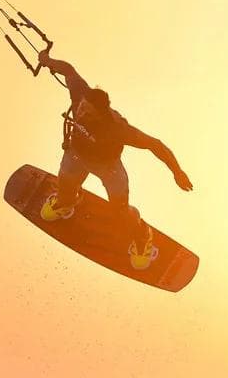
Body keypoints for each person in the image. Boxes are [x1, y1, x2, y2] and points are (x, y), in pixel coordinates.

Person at [36, 48, 193, 269]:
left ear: (101, 114)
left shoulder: (118, 129)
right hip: (76, 155)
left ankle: (142, 237)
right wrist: (48, 60)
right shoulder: (81, 94)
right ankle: (67, 203)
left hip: (108, 167)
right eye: (82, 109)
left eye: (88, 113)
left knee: (120, 212)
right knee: (64, 193)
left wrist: (177, 171)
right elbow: (68, 70)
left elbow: (154, 145)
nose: (81, 114)